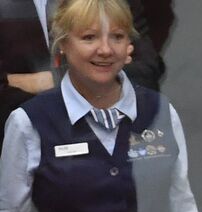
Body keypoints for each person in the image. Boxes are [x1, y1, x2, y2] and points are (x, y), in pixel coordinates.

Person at [0, 0, 202, 212]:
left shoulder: (160, 112)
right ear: (63, 44)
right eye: (89, 37)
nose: (106, 49)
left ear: (130, 46)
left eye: (117, 37)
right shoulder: (28, 121)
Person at [1, 0, 163, 153]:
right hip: (25, 147)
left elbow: (145, 72)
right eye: (89, 37)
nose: (105, 50)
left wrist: (54, 79)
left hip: (113, 146)